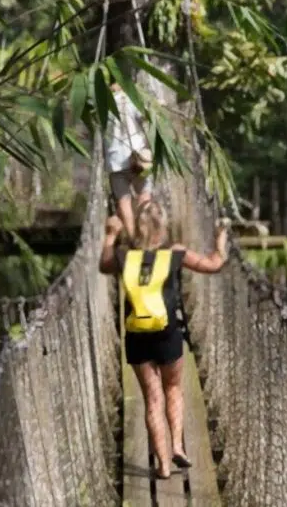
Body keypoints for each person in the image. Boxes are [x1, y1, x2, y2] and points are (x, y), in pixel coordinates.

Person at [98, 199, 230, 479]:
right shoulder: (174, 253)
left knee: (152, 399)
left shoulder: (124, 256)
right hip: (168, 333)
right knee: (173, 390)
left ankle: (163, 464)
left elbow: (104, 265)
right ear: (163, 227)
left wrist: (110, 234)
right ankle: (178, 446)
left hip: (136, 335)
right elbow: (213, 264)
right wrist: (220, 240)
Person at [103, 82, 153, 240]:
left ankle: (133, 240)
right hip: (138, 159)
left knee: (124, 204)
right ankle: (146, 236)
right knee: (144, 197)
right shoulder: (132, 99)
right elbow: (146, 116)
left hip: (115, 162)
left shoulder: (101, 103)